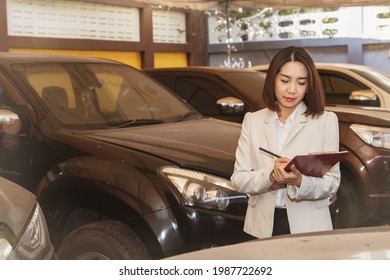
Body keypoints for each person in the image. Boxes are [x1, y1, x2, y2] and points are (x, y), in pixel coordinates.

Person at [230, 46, 341, 239]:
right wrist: (271, 175)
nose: (292, 90)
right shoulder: (253, 120)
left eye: (301, 83)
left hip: (310, 228)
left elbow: (332, 183)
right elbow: (239, 179)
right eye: (284, 80)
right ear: (272, 79)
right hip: (262, 227)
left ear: (309, 87)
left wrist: (300, 181)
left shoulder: (325, 121)